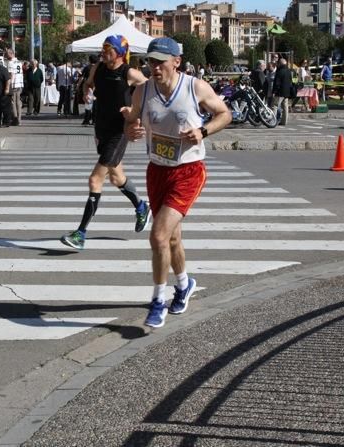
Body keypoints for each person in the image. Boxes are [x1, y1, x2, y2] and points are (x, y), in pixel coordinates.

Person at [121, 37, 230, 328]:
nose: (154, 67)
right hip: (157, 170)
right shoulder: (142, 92)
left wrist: (203, 131)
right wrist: (130, 127)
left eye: (160, 62)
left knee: (157, 236)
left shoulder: (195, 87)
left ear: (176, 62)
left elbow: (224, 114)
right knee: (171, 239)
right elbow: (131, 121)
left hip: (188, 171)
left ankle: (158, 301)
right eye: (150, 62)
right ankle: (184, 285)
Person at [59, 34, 149, 250]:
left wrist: (136, 113)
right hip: (101, 128)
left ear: (119, 53)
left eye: (108, 48)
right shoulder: (97, 68)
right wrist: (87, 93)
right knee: (117, 178)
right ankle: (141, 206)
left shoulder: (129, 73)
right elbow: (87, 85)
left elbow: (150, 92)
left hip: (120, 131)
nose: (104, 51)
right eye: (103, 47)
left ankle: (80, 234)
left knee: (94, 180)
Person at [3, 48, 24, 126]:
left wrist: (8, 85)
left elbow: (11, 75)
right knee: (18, 102)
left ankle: (15, 120)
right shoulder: (19, 62)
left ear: (11, 54)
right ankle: (19, 119)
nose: (6, 56)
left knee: (13, 103)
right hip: (19, 84)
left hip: (14, 84)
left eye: (7, 54)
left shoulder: (11, 63)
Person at [272, 58, 293, 125]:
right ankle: (284, 121)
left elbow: (277, 83)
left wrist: (274, 91)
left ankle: (272, 120)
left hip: (279, 92)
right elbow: (290, 82)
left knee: (274, 106)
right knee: (285, 107)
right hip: (286, 92)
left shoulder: (279, 71)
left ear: (280, 64)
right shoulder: (288, 71)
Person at [80, 54, 99, 125]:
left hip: (88, 87)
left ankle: (86, 120)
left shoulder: (87, 67)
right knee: (95, 105)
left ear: (89, 60)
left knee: (88, 104)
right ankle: (94, 120)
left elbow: (82, 78)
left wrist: (78, 86)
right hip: (97, 87)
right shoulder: (98, 68)